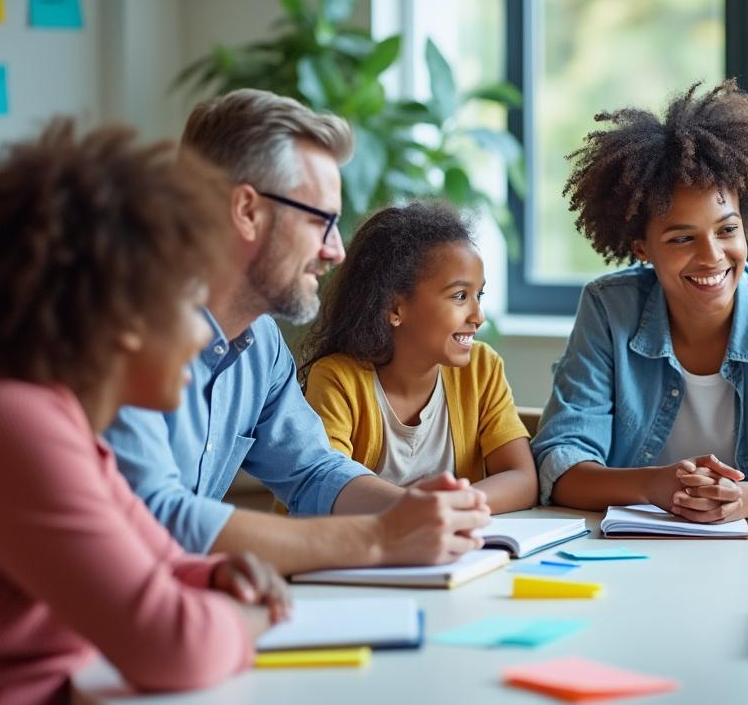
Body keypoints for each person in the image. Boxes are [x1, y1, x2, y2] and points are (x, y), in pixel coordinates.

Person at [0, 121, 290, 705]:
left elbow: (166, 562)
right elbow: (172, 646)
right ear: (124, 317)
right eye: (186, 301)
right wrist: (250, 617)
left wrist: (213, 577)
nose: (204, 333)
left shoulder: (59, 422)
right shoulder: (12, 424)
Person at [103, 89, 490, 574]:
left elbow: (312, 470)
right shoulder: (120, 333)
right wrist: (379, 537)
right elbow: (152, 518)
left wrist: (412, 513)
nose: (336, 251)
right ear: (246, 211)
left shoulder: (260, 344)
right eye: (320, 221)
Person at [531, 80, 748, 522]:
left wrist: (743, 501)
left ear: (747, 226)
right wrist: (653, 486)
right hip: (636, 550)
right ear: (642, 249)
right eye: (682, 238)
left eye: (727, 230)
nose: (712, 256)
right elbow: (561, 465)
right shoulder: (609, 309)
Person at [302, 201, 537, 512]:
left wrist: (445, 506)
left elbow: (522, 479)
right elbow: (326, 490)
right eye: (459, 296)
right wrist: (418, 509)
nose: (478, 315)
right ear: (395, 309)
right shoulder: (337, 379)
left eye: (479, 295)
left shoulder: (482, 369)